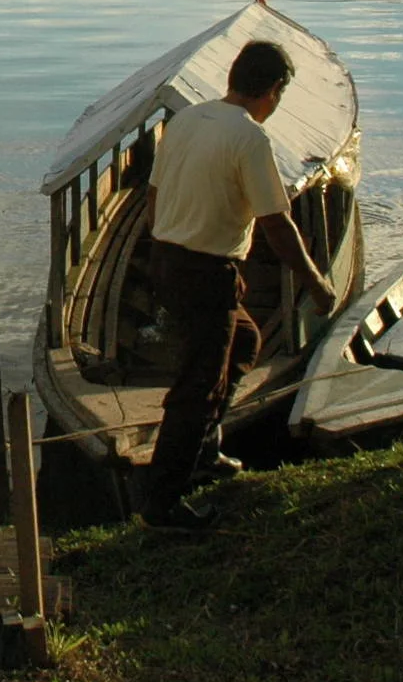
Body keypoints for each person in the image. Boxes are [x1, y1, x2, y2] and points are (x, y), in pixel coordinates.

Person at [135, 39, 338, 531]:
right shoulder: (250, 138)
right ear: (274, 90)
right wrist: (315, 281)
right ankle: (162, 506)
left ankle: (204, 451)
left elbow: (153, 197)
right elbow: (277, 225)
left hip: (168, 260)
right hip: (204, 273)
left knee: (244, 341)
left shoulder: (185, 120)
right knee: (199, 387)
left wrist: (162, 253)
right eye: (280, 96)